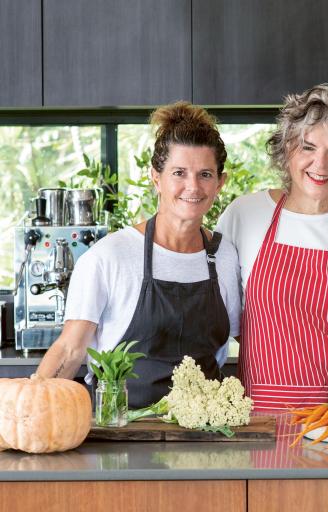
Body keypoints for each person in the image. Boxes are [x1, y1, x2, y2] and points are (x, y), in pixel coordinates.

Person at [37, 102, 241, 408]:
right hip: (122, 433)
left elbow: (243, 341)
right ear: (155, 177)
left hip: (205, 439)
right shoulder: (109, 256)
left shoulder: (224, 256)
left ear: (220, 183)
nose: (193, 186)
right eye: (179, 173)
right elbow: (70, 350)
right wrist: (31, 408)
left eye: (205, 174)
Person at [217, 84, 328, 410]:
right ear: (286, 150)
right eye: (307, 147)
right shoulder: (245, 215)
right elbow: (220, 318)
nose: (321, 164)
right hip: (259, 421)